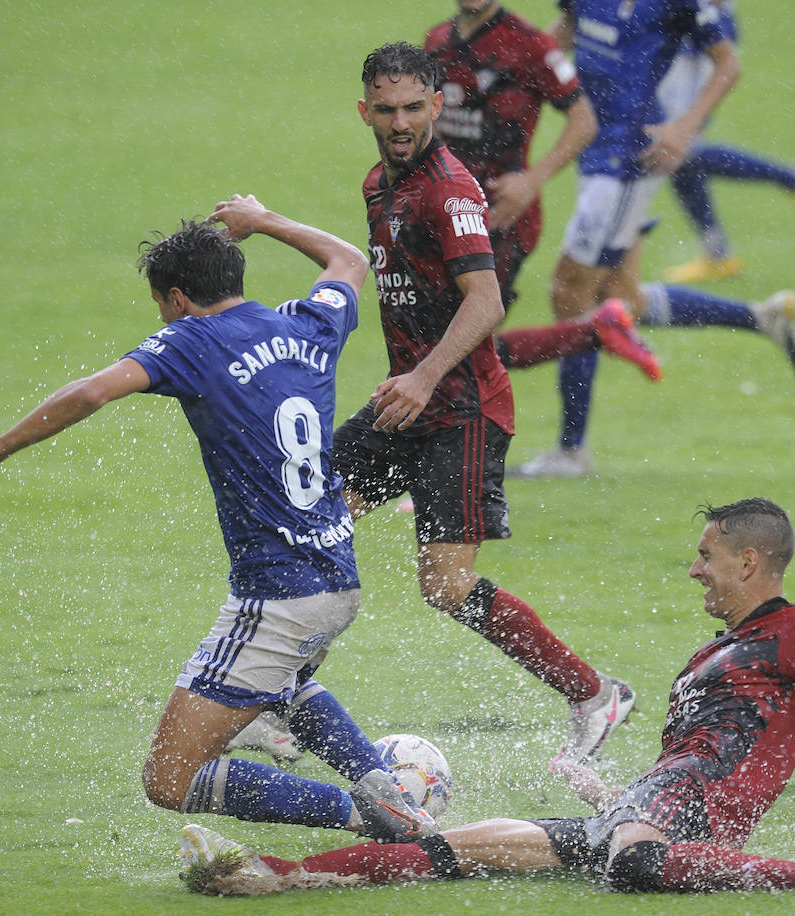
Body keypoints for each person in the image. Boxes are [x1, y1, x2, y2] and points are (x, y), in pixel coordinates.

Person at [176, 498, 795, 897]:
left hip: (689, 821)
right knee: (449, 846)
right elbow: (679, 763)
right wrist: (612, 795)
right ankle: (270, 877)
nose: (695, 568)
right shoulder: (705, 658)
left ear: (749, 562)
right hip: (652, 810)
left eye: (708, 556)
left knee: (636, 866)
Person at [0, 199, 438, 843]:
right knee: (281, 689)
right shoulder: (307, 325)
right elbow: (347, 260)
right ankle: (378, 780)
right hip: (337, 578)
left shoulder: (190, 339)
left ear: (175, 298)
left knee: (169, 779)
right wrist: (266, 220)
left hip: (278, 596)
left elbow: (90, 391)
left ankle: (376, 815)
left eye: (160, 307)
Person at [232, 42, 635, 768]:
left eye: (413, 108)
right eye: (385, 109)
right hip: (408, 404)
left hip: (462, 408)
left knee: (445, 586)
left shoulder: (448, 191)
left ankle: (592, 694)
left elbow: (484, 303)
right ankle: (272, 703)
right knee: (310, 529)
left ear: (437, 107)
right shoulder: (377, 185)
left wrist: (421, 378)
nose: (398, 122)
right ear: (365, 111)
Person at [513, 0, 795, 479]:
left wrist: (684, 128)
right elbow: (569, 27)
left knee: (571, 293)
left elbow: (727, 63)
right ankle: (764, 318)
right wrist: (521, 66)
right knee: (621, 297)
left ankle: (571, 453)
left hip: (629, 156)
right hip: (595, 146)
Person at [427, 0, 664, 383]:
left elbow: (584, 121)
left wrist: (530, 180)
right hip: (445, 213)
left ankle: (593, 333)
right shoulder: (436, 42)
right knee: (453, 349)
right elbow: (430, 122)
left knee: (460, 349)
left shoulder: (530, 45)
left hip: (501, 216)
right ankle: (595, 330)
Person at [658, 11, 795, 284]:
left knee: (677, 150)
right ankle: (718, 255)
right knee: (677, 157)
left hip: (697, 45)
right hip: (687, 42)